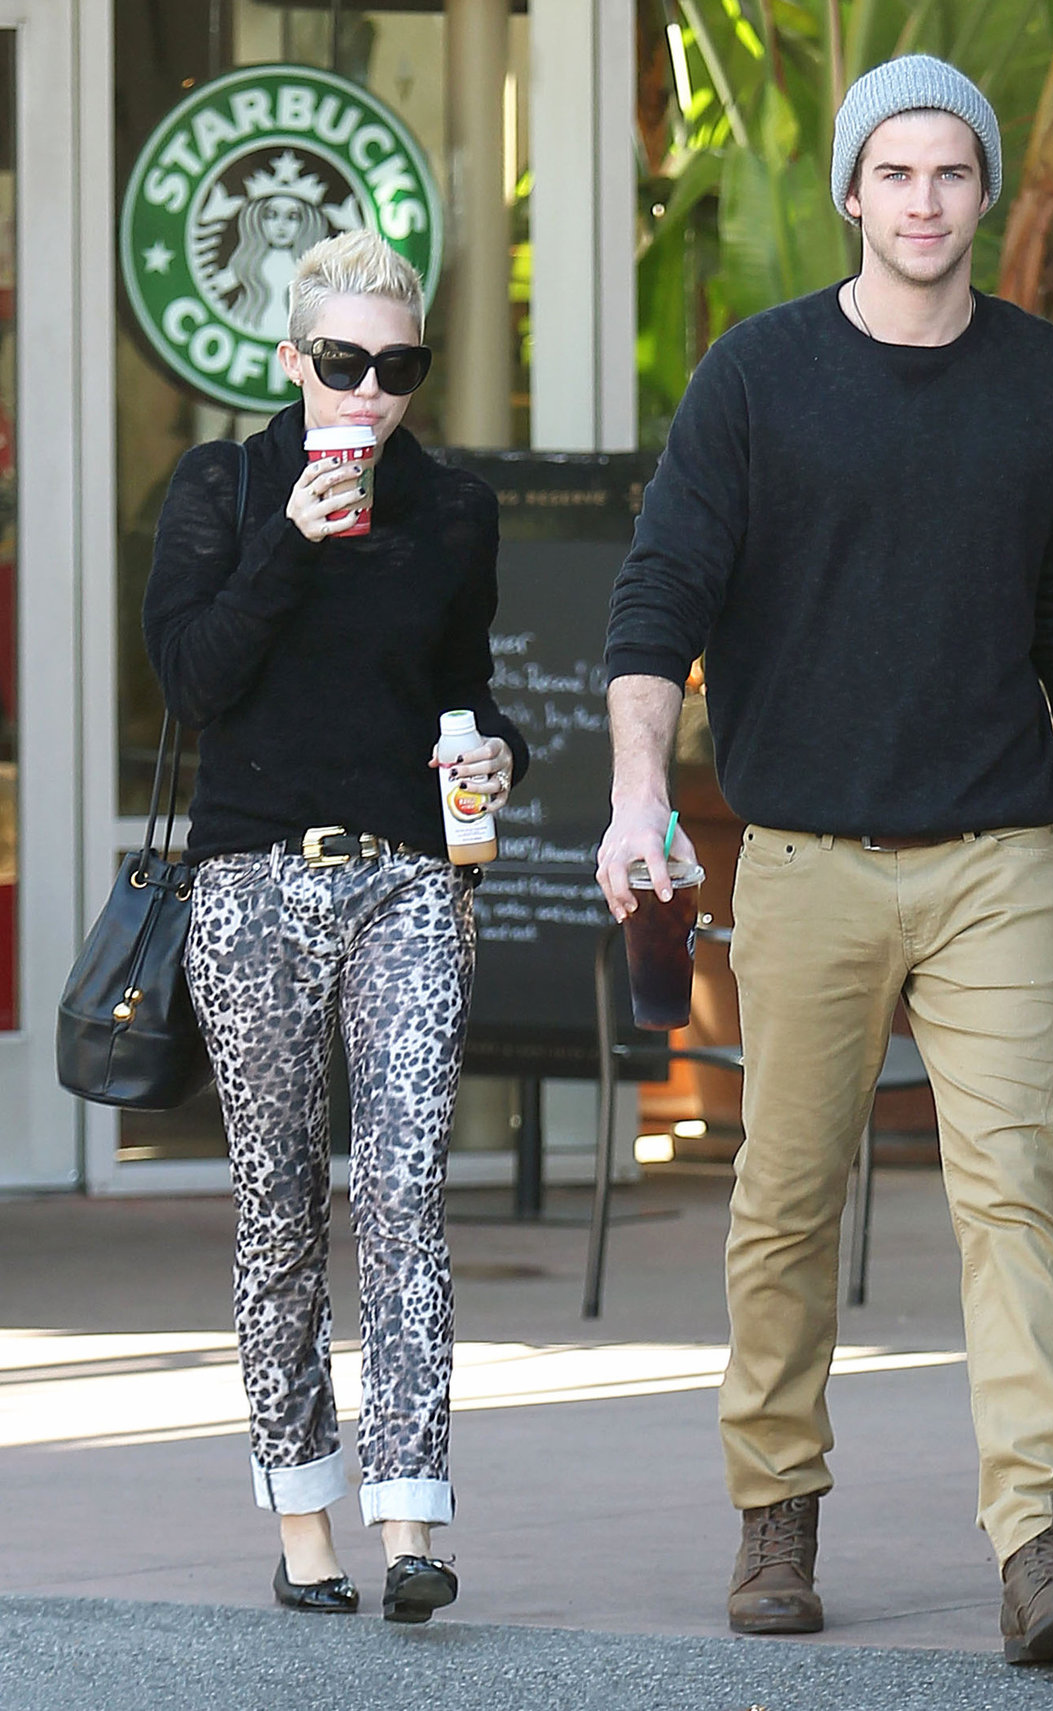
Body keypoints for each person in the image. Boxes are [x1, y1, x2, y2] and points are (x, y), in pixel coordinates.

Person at [597, 55, 1053, 1666]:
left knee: (1013, 1198)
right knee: (782, 1198)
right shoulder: (757, 379)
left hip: (996, 854)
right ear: (851, 192)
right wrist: (641, 794)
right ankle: (775, 1515)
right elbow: (657, 607)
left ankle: (1035, 1545)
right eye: (894, 175)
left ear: (983, 193)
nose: (923, 203)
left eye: (951, 175)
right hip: (799, 857)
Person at [144, 228, 526, 1623]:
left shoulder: (454, 508)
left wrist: (493, 759)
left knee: (407, 1192)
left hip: (409, 882)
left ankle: (412, 1518)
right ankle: (304, 1514)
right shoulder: (223, 485)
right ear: (294, 359)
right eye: (346, 363)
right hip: (250, 888)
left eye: (400, 367)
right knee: (280, 1204)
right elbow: (190, 682)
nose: (372, 394)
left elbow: (465, 695)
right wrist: (285, 545)